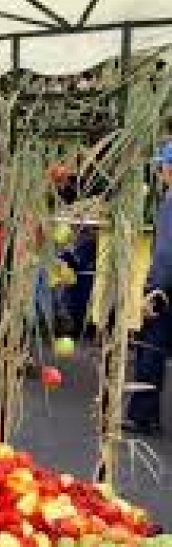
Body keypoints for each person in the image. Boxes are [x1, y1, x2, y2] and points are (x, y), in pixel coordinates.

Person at [125, 142, 172, 435]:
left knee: (150, 350)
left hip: (166, 289)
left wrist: (154, 289)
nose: (160, 172)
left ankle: (142, 414)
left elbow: (166, 252)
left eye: (163, 166)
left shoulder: (171, 202)